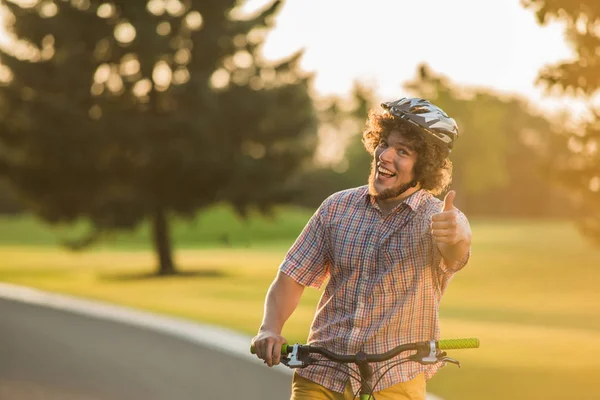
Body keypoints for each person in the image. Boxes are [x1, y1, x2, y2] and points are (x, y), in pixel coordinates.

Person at [251, 97, 472, 400]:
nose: (386, 155)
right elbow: (292, 276)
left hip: (395, 381)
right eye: (384, 143)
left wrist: (456, 235)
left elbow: (457, 248)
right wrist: (270, 328)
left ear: (425, 167)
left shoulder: (438, 219)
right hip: (321, 374)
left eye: (403, 152)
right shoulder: (337, 208)